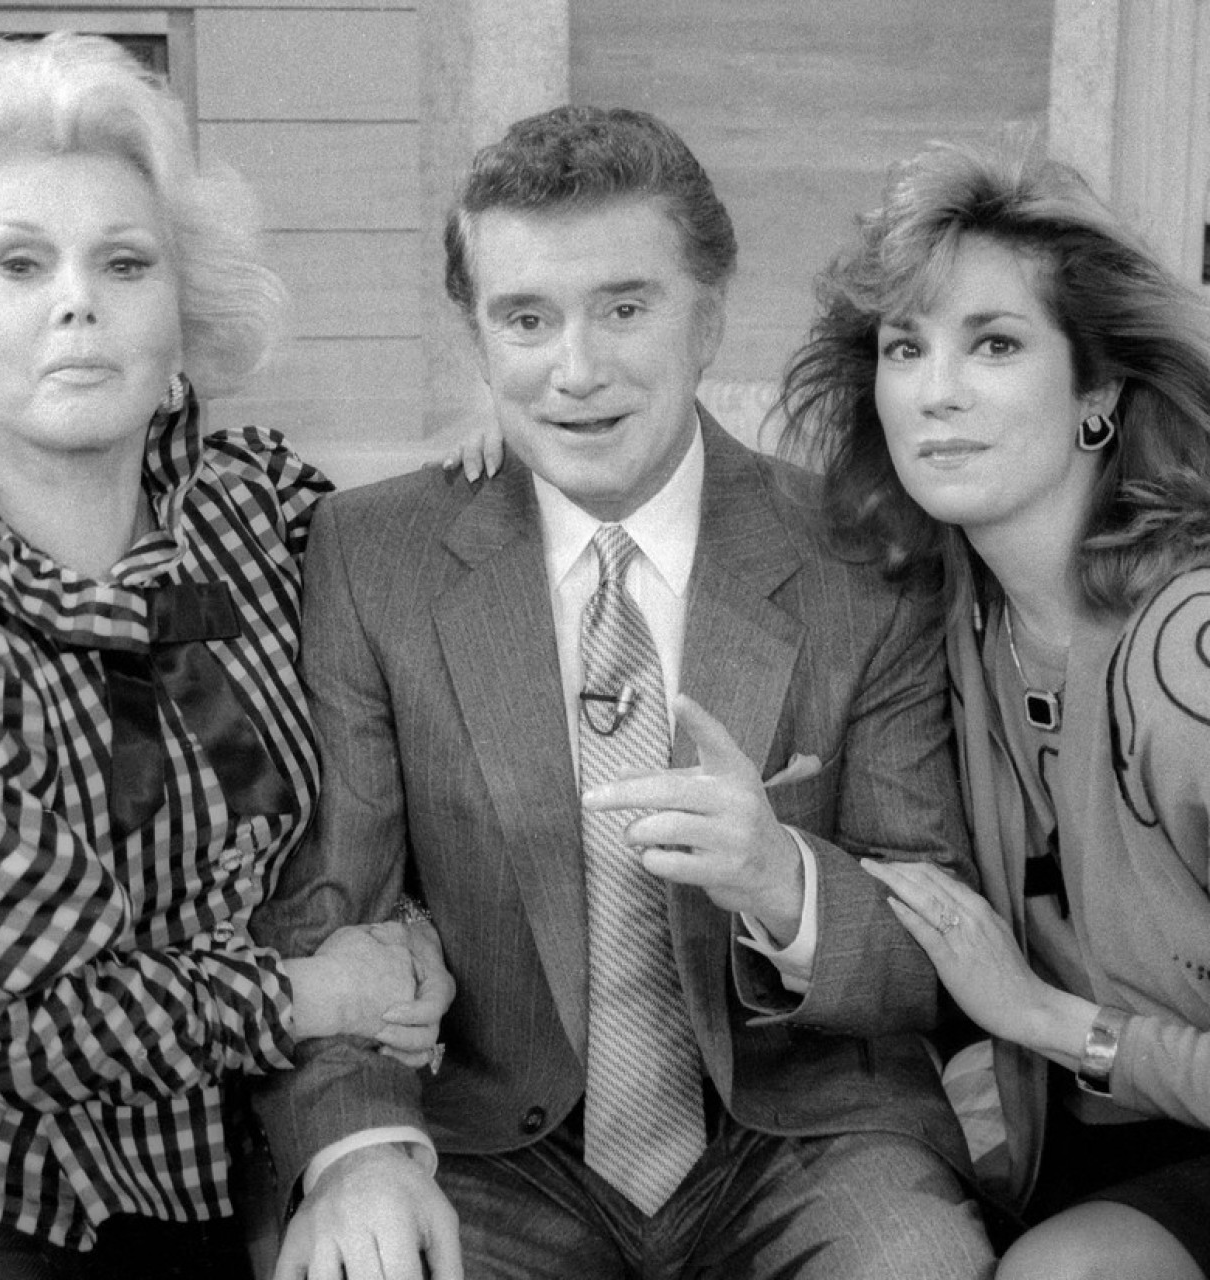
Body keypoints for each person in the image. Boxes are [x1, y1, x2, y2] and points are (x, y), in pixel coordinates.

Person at [253, 104, 995, 1280]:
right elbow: (330, 905)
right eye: (526, 318)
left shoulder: (863, 561)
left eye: (623, 308)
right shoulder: (371, 555)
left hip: (801, 1131)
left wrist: (783, 880)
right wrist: (359, 1150)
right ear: (474, 336)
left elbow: (930, 950)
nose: (576, 370)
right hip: (489, 1140)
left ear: (708, 315)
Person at [0, 33, 458, 1280]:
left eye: (125, 262)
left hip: (263, 1140)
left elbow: (409, 723)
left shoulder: (256, 508)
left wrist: (412, 936)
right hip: (15, 1187)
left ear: (182, 312)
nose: (78, 301)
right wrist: (315, 995)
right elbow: (21, 1027)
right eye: (18, 263)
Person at [778, 137, 1210, 1280]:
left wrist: (1034, 1017)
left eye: (994, 343)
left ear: (1095, 392)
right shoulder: (949, 611)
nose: (936, 391)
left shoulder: (1190, 650)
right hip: (1071, 1136)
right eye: (903, 346)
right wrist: (522, 465)